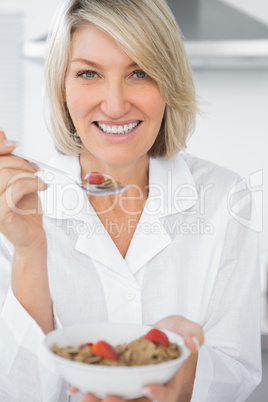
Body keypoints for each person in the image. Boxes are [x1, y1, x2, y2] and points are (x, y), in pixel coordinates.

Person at [0, 0, 261, 401]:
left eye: (140, 72)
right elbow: (19, 392)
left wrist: (180, 361)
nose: (116, 104)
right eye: (88, 73)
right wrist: (30, 252)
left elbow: (239, 376)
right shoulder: (13, 207)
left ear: (169, 83)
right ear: (61, 88)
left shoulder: (227, 198)